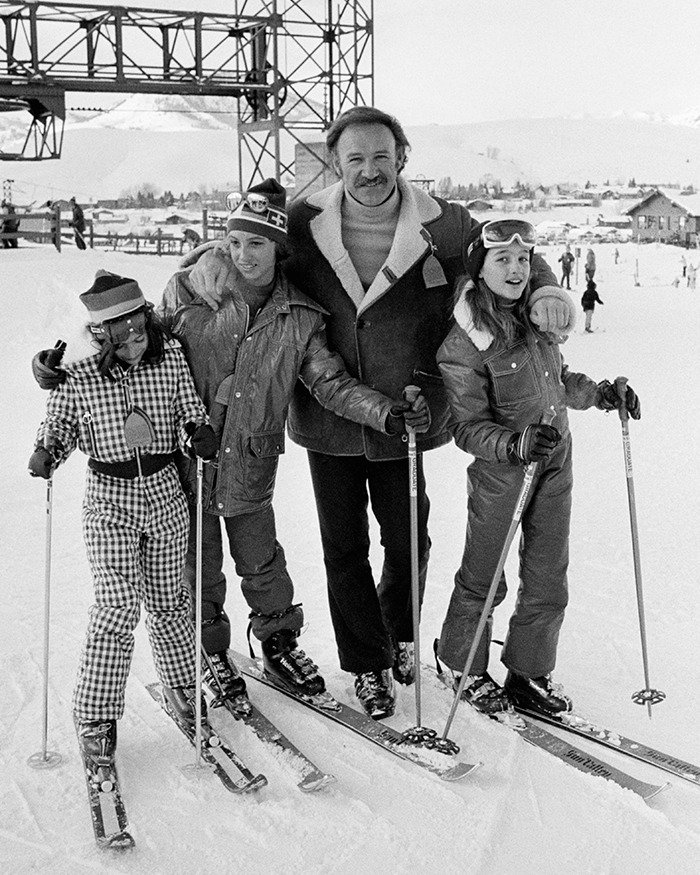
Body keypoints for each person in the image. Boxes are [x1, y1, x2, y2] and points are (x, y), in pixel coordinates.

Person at [182, 107, 575, 720]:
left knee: (408, 539)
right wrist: (208, 259)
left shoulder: (446, 224)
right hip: (327, 412)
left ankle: (400, 638)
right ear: (336, 162)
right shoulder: (303, 219)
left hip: (410, 412)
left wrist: (547, 288)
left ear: (402, 157)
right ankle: (366, 662)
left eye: (381, 156)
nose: (369, 170)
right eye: (355, 158)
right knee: (344, 547)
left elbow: (511, 249)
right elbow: (245, 240)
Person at [155, 178, 428, 712]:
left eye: (255, 244)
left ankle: (278, 640)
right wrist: (69, 367)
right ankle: (209, 648)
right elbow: (137, 343)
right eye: (232, 243)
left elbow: (329, 383)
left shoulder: (299, 316)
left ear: (279, 250)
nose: (242, 255)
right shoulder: (192, 294)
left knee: (263, 562)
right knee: (200, 562)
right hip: (189, 460)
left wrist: (385, 413)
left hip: (252, 464)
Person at [435, 220, 641, 719]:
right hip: (502, 474)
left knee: (549, 575)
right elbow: (466, 428)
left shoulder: (536, 321)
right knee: (484, 577)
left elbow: (559, 380)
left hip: (554, 463)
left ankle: (528, 670)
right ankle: (459, 664)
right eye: (502, 259)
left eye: (523, 259)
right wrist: (514, 443)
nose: (516, 269)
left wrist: (601, 394)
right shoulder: (465, 343)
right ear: (480, 269)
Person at [28, 270, 217, 769]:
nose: (134, 343)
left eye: (140, 330)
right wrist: (48, 449)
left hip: (164, 494)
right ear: (101, 335)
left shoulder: (169, 356)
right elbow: (61, 422)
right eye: (122, 336)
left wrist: (196, 430)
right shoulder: (81, 373)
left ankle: (181, 687)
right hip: (109, 498)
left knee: (170, 601)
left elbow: (186, 408)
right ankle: (96, 713)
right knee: (117, 606)